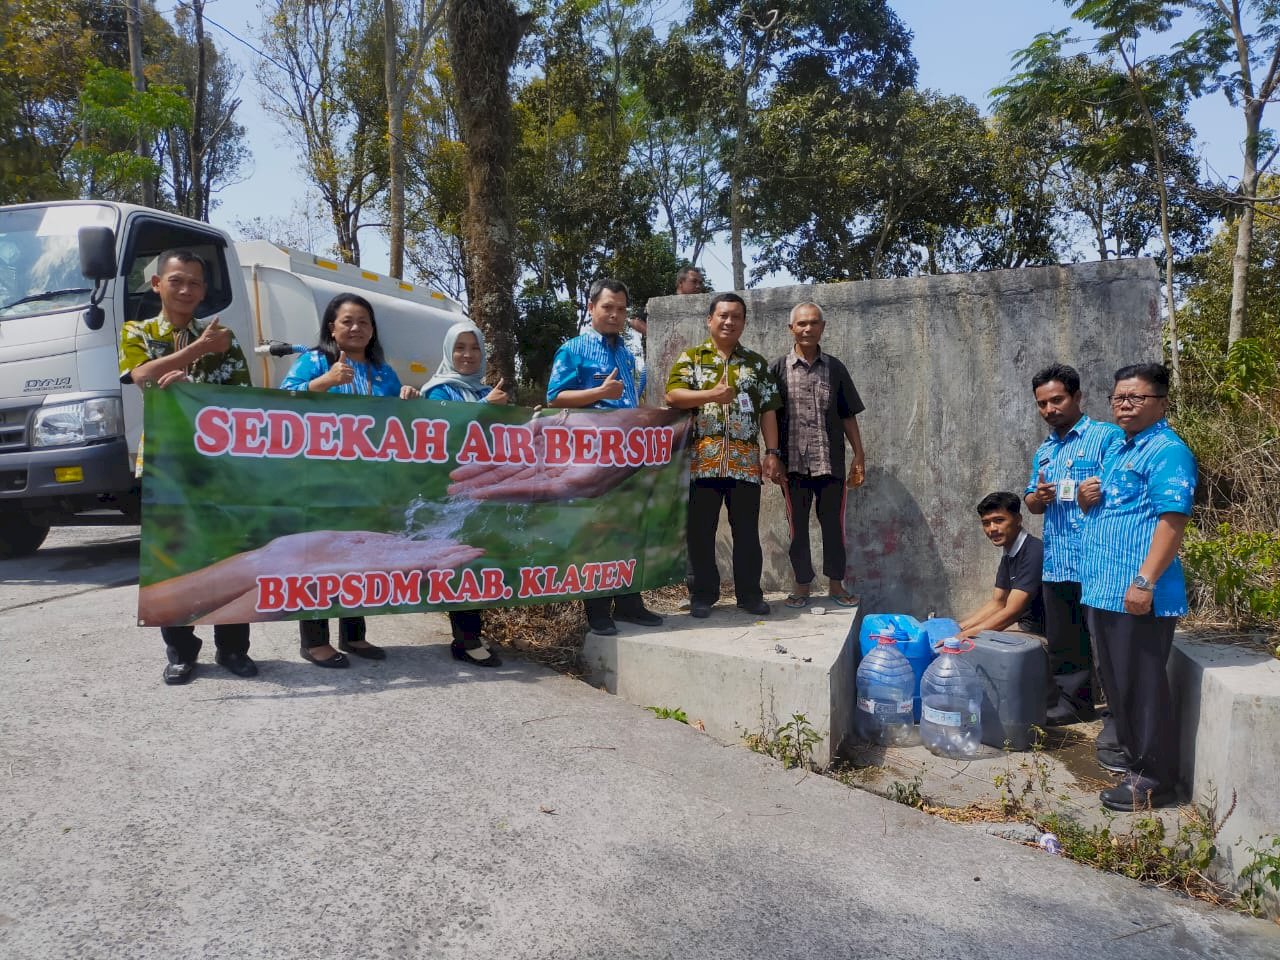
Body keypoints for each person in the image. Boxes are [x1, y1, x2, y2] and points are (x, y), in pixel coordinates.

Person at [118, 248, 256, 685]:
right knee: (172, 557)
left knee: (229, 554)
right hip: (164, 462)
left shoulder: (225, 337)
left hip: (220, 466)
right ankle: (181, 651)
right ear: (157, 284)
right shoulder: (137, 331)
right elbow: (141, 376)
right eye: (176, 280)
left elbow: (243, 399)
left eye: (195, 282)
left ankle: (233, 648)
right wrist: (195, 351)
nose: (186, 289)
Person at [1078, 363, 1195, 812]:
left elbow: (1172, 521)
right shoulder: (1118, 450)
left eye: (1136, 398)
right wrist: (1089, 501)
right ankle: (1132, 757)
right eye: (1118, 398)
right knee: (1118, 682)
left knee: (1143, 685)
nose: (1124, 405)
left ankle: (1153, 779)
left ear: (1161, 403)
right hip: (1104, 588)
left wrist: (1145, 581)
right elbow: (1115, 514)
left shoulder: (1168, 451)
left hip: (1137, 591)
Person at [281, 293, 413, 667]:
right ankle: (314, 640)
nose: (356, 328)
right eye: (348, 321)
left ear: (373, 331)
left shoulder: (383, 372)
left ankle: (354, 636)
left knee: (360, 552)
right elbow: (281, 402)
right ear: (331, 328)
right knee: (319, 555)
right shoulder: (313, 361)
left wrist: (406, 398)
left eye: (364, 322)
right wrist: (324, 381)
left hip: (369, 481)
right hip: (320, 479)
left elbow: (397, 422)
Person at [546, 278, 664, 636]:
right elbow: (555, 397)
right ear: (592, 308)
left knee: (627, 528)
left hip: (627, 454)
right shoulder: (573, 349)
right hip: (590, 456)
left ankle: (629, 603)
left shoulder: (626, 354)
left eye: (621, 309)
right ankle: (597, 609)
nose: (614, 314)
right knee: (596, 531)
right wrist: (599, 392)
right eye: (608, 307)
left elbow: (628, 401)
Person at [665, 292, 783, 618]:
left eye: (736, 316)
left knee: (746, 533)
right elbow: (673, 395)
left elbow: (769, 410)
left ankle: (749, 595)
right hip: (702, 462)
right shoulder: (692, 359)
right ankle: (702, 594)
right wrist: (711, 394)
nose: (729, 321)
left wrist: (772, 452)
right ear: (710, 320)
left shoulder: (756, 364)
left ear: (744, 322)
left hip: (745, 464)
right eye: (723, 315)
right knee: (700, 532)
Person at [1023, 363, 1125, 727]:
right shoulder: (1044, 452)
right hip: (1058, 559)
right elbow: (1031, 504)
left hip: (1098, 560)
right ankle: (1074, 704)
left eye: (1057, 400)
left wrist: (1095, 493)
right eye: (1042, 404)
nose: (1050, 409)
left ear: (1077, 397)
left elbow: (1123, 490)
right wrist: (1039, 495)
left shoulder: (1107, 438)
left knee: (1108, 645)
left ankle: (1118, 715)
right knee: (1065, 641)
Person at [420, 320, 508, 666]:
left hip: (484, 489)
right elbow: (445, 432)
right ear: (448, 352)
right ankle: (467, 639)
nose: (468, 355)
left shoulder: (484, 390)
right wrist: (489, 407)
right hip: (449, 489)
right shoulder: (438, 391)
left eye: (474, 348)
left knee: (477, 558)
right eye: (460, 348)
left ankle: (470, 633)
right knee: (460, 559)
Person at [768, 301, 866, 609]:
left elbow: (848, 415)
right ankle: (802, 586)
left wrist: (859, 456)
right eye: (802, 324)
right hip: (793, 466)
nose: (807, 328)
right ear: (792, 329)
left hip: (830, 465)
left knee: (834, 528)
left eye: (813, 323)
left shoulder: (835, 368)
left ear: (822, 327)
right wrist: (773, 456)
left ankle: (836, 585)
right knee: (797, 529)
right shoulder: (778, 368)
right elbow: (769, 416)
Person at [957, 492, 1045, 639]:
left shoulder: (1034, 551)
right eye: (986, 523)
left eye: (999, 520)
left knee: (972, 648)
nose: (992, 528)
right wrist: (957, 627)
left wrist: (961, 636)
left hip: (1039, 636)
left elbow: (1012, 611)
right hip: (1020, 628)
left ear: (1018, 519)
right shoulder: (1009, 553)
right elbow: (998, 603)